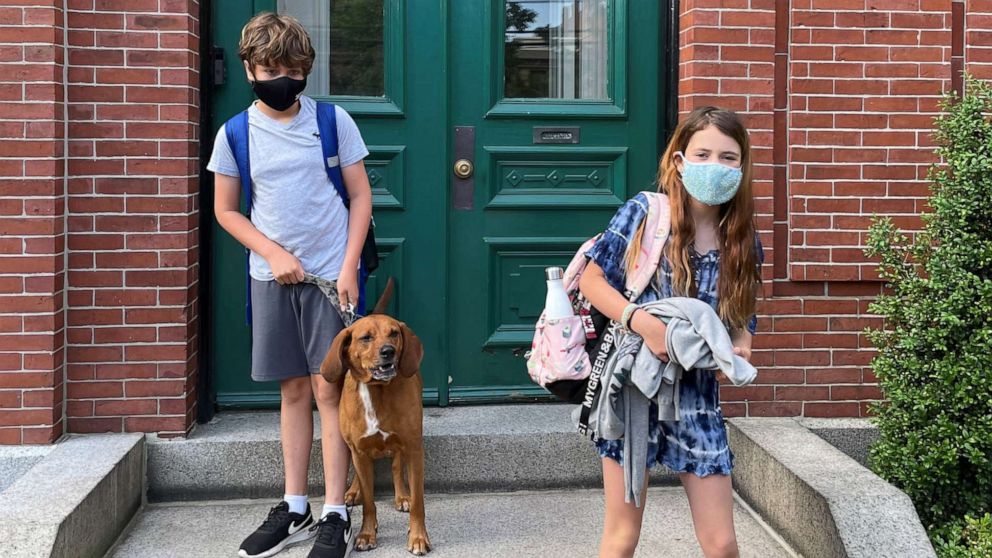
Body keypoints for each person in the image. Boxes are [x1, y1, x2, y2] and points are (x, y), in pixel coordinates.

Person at [207, 12, 372, 558]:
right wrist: (273, 252)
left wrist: (349, 267)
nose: (284, 78)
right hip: (270, 280)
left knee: (331, 389)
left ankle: (335, 512)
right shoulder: (235, 134)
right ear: (249, 69)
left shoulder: (332, 122)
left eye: (294, 68)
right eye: (272, 68)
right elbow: (227, 211)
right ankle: (295, 505)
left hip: (332, 277)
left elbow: (360, 197)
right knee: (294, 390)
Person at [579, 106, 763, 558]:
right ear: (679, 162)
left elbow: (741, 314)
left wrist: (741, 344)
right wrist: (645, 325)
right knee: (621, 539)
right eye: (702, 154)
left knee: (722, 545)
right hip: (633, 392)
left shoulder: (741, 238)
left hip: (698, 400)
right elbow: (591, 280)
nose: (714, 166)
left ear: (741, 166)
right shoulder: (646, 212)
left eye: (727, 157)